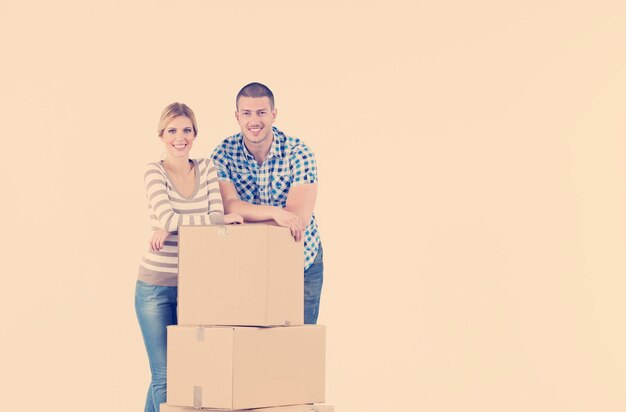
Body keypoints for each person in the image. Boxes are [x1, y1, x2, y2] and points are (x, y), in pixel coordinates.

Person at [135, 102, 242, 412]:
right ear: (161, 135)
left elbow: (216, 214)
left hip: (194, 287)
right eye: (172, 131)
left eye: (186, 130)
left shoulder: (207, 167)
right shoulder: (154, 171)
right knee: (165, 376)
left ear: (195, 134)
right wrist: (190, 222)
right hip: (155, 286)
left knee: (179, 372)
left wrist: (175, 225)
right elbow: (175, 219)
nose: (179, 138)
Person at [211, 82, 324, 325]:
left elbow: (297, 219)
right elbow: (228, 206)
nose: (254, 120)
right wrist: (275, 213)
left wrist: (249, 214)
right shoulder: (222, 153)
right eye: (247, 113)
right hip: (248, 261)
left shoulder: (299, 152)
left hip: (300, 258)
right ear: (237, 116)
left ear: (274, 114)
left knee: (300, 343)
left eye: (261, 112)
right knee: (253, 347)